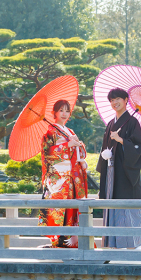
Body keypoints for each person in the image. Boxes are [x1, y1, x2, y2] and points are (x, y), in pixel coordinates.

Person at [96, 87, 141, 249]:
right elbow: (106, 146)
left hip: (126, 173)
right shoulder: (111, 124)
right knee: (112, 204)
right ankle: (114, 244)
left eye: (118, 99)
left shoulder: (133, 122)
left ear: (126, 101)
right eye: (111, 100)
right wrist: (105, 155)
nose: (114, 103)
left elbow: (138, 147)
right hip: (111, 171)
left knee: (126, 205)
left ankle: (133, 244)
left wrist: (122, 140)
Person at [39, 99, 88, 248]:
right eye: (61, 110)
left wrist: (79, 154)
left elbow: (78, 150)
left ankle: (75, 241)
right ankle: (58, 241)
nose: (64, 114)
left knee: (72, 209)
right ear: (54, 112)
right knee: (59, 210)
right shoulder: (50, 132)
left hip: (72, 177)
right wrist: (67, 145)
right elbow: (48, 153)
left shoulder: (69, 131)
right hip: (58, 180)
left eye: (67, 111)